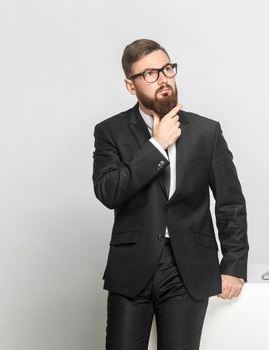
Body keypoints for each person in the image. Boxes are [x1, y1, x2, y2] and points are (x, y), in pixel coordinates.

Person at [92, 38, 249, 350]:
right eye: (149, 74)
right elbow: (108, 191)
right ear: (130, 85)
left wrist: (234, 264)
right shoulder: (110, 132)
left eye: (166, 69)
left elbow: (230, 201)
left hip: (188, 268)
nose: (163, 79)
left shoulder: (207, 132)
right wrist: (156, 145)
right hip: (132, 267)